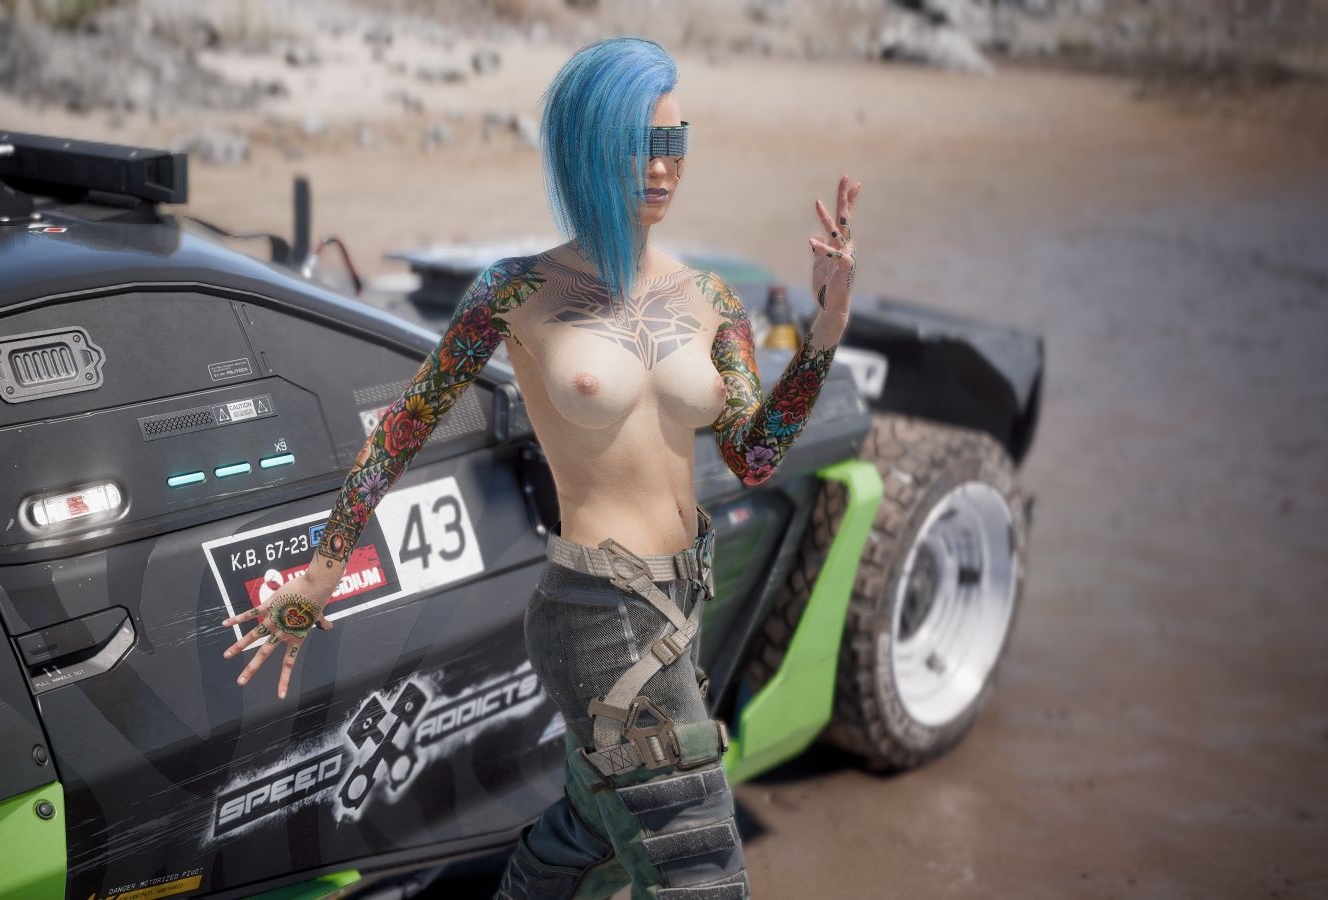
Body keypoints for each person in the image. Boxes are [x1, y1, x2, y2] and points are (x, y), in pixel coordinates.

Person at [219, 36, 859, 900]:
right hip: (598, 606)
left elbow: (755, 454)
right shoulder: (515, 291)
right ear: (589, 147)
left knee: (595, 834)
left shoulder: (713, 299)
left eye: (674, 141)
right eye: (638, 145)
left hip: (681, 601)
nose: (661, 167)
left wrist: (825, 329)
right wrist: (321, 574)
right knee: (699, 865)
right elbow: (403, 427)